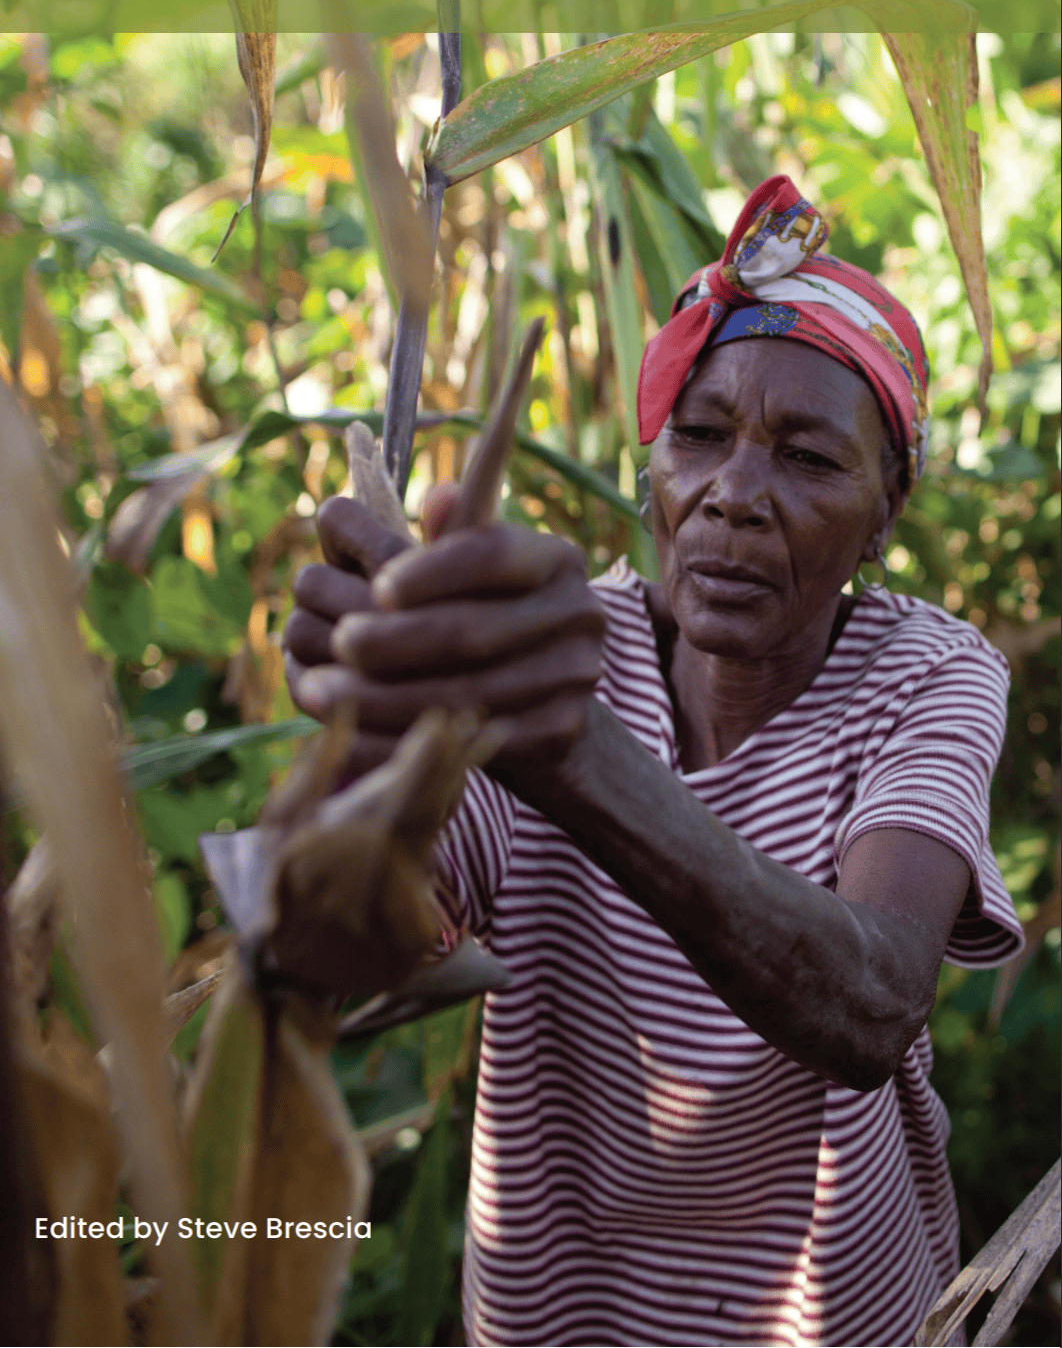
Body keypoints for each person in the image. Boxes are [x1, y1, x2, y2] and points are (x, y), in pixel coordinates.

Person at [283, 175, 1023, 1347]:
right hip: (557, 1312)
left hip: (836, 1313)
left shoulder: (925, 675)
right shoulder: (555, 644)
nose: (734, 495)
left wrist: (565, 750)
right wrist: (360, 768)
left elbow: (874, 997)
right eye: (700, 434)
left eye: (809, 458)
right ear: (652, 472)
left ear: (888, 509)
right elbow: (346, 953)